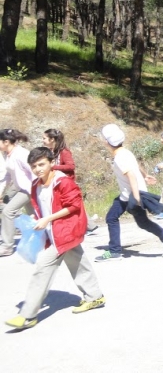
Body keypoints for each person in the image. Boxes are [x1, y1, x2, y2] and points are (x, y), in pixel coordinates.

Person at [5, 147, 105, 331]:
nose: (38, 169)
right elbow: (42, 207)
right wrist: (38, 219)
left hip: (65, 231)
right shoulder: (36, 185)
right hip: (54, 232)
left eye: (42, 164)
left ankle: (28, 315)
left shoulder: (63, 182)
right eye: (34, 166)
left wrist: (47, 219)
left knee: (43, 267)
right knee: (77, 261)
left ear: (52, 163)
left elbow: (74, 206)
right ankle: (95, 296)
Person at [95, 124, 163, 261]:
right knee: (115, 218)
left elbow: (131, 176)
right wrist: (145, 176)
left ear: (106, 142)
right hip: (128, 194)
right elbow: (136, 166)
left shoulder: (119, 157)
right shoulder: (125, 152)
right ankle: (115, 250)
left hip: (133, 195)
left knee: (139, 222)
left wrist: (137, 198)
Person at [40, 129, 100, 234]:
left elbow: (71, 166)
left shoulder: (64, 151)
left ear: (52, 139)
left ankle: (87, 226)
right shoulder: (51, 151)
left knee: (73, 206)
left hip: (67, 183)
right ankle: (89, 226)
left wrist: (54, 167)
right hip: (58, 183)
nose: (43, 140)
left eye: (44, 138)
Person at [0, 129, 34, 258]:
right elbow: (7, 176)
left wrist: (39, 189)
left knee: (8, 211)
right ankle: (47, 238)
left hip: (29, 189)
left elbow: (34, 170)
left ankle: (7, 246)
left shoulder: (21, 154)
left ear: (6, 142)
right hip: (24, 189)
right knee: (35, 215)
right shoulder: (9, 155)